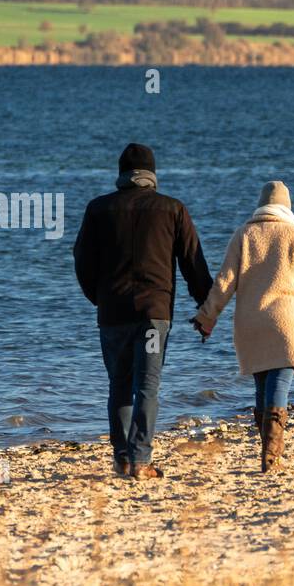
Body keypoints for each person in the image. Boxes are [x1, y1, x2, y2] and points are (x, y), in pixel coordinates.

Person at [73, 143, 212, 479]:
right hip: (153, 315)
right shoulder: (172, 209)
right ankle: (141, 461)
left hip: (112, 315)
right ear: (152, 175)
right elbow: (193, 264)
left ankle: (122, 459)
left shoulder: (98, 209)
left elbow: (81, 262)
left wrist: (99, 298)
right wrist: (207, 310)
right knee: (147, 386)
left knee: (118, 385)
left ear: (121, 174)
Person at [191, 180, 294, 472]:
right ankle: (271, 456)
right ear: (287, 207)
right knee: (279, 384)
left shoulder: (244, 235)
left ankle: (268, 451)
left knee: (262, 385)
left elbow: (224, 284)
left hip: (250, 324)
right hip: (288, 323)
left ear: (260, 205)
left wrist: (207, 318)